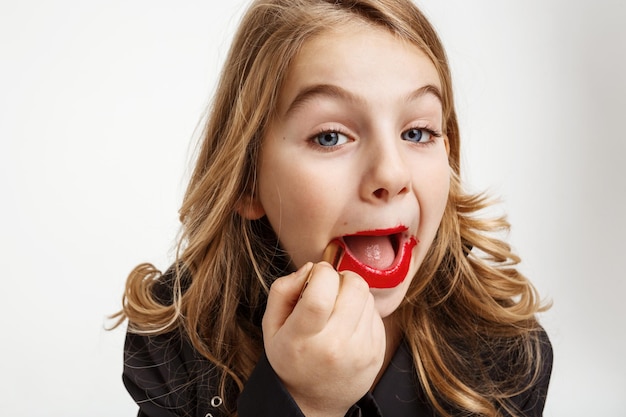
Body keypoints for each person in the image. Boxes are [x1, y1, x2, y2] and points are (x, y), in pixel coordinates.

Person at [111, 0, 553, 416]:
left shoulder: (505, 354)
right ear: (247, 181)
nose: (391, 174)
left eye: (417, 132)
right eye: (330, 137)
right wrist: (303, 402)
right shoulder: (178, 348)